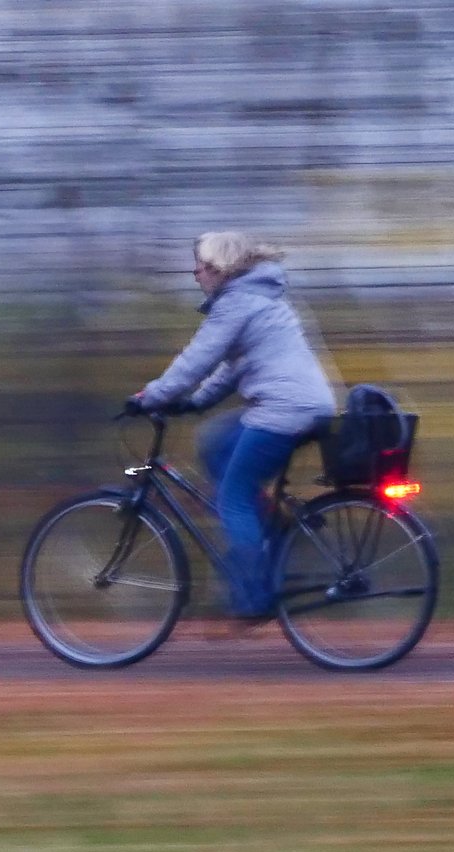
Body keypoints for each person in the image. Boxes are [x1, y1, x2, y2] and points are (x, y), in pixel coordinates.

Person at [132, 232, 338, 619]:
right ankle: (272, 532)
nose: (195, 273)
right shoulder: (256, 300)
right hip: (300, 406)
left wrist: (152, 396)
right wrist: (194, 402)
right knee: (214, 442)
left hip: (283, 410)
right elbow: (231, 368)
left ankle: (253, 593)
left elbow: (198, 358)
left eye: (202, 265)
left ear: (219, 268)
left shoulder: (238, 303)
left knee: (233, 496)